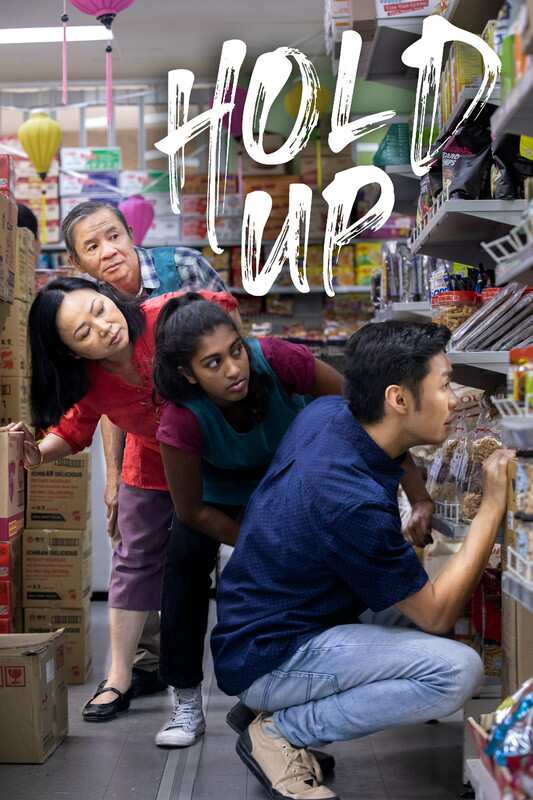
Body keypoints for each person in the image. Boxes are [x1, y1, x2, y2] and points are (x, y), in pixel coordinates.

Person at [211, 321, 514, 800]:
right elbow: (434, 614)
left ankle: (273, 712)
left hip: (275, 620)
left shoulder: (331, 413)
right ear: (397, 399)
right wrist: (492, 507)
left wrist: (421, 500)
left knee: (452, 601)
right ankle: (283, 732)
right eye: (443, 385)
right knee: (455, 669)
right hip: (271, 652)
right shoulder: (346, 499)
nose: (455, 399)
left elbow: (394, 453)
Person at [152, 297, 436, 750]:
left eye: (236, 350)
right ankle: (186, 695)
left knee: (324, 560)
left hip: (291, 480)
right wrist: (259, 543)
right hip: (219, 499)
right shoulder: (181, 418)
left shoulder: (280, 360)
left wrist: (418, 497)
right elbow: (191, 511)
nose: (232, 369)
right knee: (184, 558)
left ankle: (268, 694)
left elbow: (374, 420)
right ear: (189, 374)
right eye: (213, 363)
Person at [4, 277, 236, 723]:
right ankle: (118, 677)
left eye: (98, 309)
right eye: (83, 333)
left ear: (109, 298)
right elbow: (71, 432)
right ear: (73, 353)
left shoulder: (162, 318)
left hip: (221, 453)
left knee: (229, 552)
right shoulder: (89, 381)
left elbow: (220, 302)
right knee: (132, 563)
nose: (102, 327)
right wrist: (33, 453)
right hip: (150, 463)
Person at [61, 200, 228, 697]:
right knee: (137, 554)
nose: (108, 252)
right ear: (76, 262)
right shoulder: (90, 303)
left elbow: (229, 339)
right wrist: (113, 478)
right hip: (146, 442)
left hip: (212, 433)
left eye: (113, 236)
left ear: (130, 232)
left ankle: (228, 669)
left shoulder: (184, 267)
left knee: (206, 550)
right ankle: (138, 670)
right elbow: (110, 399)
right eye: (92, 247)